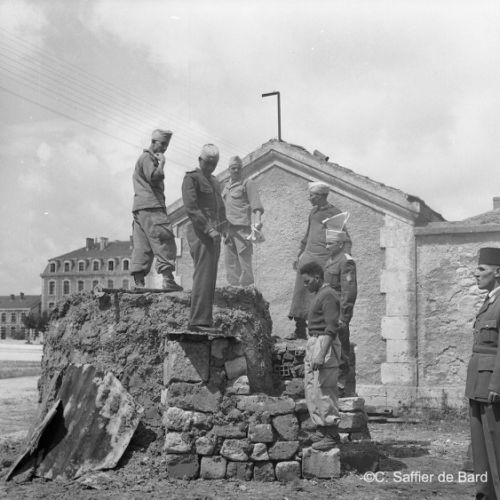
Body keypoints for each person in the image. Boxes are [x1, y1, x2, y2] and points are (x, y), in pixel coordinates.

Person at [287, 182, 351, 340]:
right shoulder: (313, 212)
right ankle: (299, 329)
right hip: (308, 255)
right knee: (301, 291)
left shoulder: (334, 213)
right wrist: (299, 253)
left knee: (320, 294)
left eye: (312, 196)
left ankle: (318, 331)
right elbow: (307, 234)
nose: (309, 198)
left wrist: (343, 259)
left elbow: (344, 239)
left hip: (323, 260)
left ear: (322, 196)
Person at [466, 247, 500, 499]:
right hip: (478, 383)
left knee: (496, 445)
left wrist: (497, 385)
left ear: (497, 272)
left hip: (491, 385)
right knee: (480, 447)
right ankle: (485, 494)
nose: (475, 274)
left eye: (482, 269)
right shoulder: (489, 301)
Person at [182, 144, 227, 333]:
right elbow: (191, 208)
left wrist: (224, 229)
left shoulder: (215, 181)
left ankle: (205, 321)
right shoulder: (191, 178)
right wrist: (209, 229)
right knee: (203, 275)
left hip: (214, 234)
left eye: (214, 164)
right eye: (207, 163)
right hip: (200, 232)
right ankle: (197, 321)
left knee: (210, 277)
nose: (210, 167)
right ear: (200, 160)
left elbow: (220, 207)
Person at [130, 129, 182, 291]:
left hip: (139, 209)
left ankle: (139, 283)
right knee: (164, 239)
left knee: (142, 244)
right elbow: (154, 177)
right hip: (152, 207)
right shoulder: (147, 158)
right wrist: (162, 164)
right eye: (162, 144)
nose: (164, 148)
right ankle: (168, 280)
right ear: (153, 142)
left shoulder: (143, 158)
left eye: (166, 145)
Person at [300, 261, 341, 451]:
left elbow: (332, 327)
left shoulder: (329, 295)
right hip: (315, 341)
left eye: (307, 281)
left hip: (324, 342)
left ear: (317, 277)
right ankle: (321, 429)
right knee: (312, 389)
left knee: (325, 389)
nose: (305, 285)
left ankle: (331, 434)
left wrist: (321, 354)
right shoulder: (320, 294)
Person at [324, 220, 357, 397]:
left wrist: (344, 317)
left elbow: (349, 292)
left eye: (330, 243)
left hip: (338, 313)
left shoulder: (346, 262)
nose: (327, 246)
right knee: (328, 347)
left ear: (340, 244)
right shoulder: (329, 260)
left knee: (341, 349)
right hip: (327, 311)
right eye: (326, 243)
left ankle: (342, 385)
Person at [222, 155, 264, 286]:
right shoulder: (225, 187)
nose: (236, 170)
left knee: (244, 259)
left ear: (242, 169)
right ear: (229, 170)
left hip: (242, 229)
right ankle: (233, 289)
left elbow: (256, 205)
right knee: (230, 262)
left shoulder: (247, 183)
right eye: (233, 168)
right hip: (228, 230)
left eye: (238, 168)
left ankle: (247, 289)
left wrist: (257, 221)